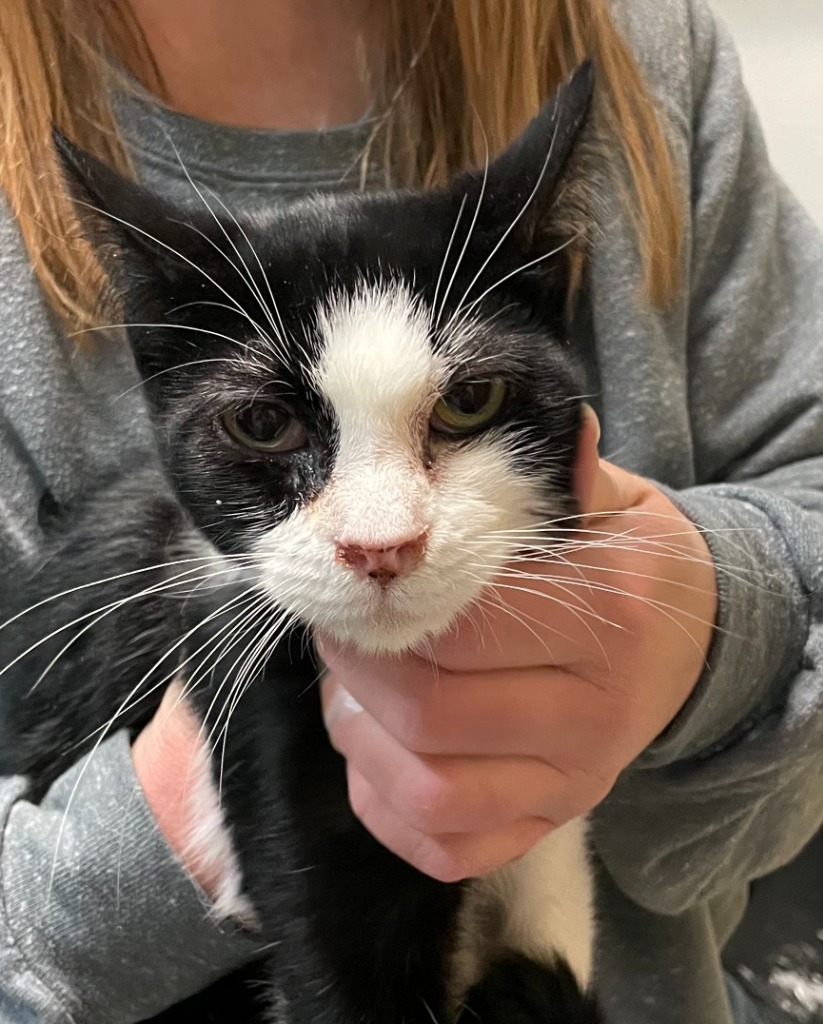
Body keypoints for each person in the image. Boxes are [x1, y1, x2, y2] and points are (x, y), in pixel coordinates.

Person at [0, 1, 820, 1022]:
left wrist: (713, 626)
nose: (382, 535)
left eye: (464, 403)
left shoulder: (642, 52)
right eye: (263, 423)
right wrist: (182, 816)